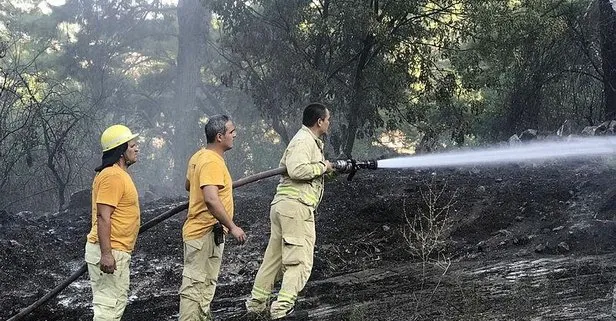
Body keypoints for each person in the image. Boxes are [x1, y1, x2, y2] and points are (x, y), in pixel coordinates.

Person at [246, 103, 334, 319]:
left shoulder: (309, 142)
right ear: (319, 121)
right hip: (295, 208)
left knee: (273, 261)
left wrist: (333, 169)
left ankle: (256, 307)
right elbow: (297, 170)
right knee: (300, 261)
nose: (329, 123)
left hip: (285, 206)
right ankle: (282, 310)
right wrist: (323, 167)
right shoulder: (304, 140)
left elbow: (309, 172)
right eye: (328, 119)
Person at [179, 114, 247, 321]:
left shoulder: (199, 156)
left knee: (205, 285)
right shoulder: (211, 161)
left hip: (208, 234)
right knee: (194, 287)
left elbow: (189, 185)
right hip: (203, 234)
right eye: (231, 131)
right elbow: (210, 199)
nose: (235, 135)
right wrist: (233, 226)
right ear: (219, 136)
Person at [84, 124, 140, 321]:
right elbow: (103, 216)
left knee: (112, 305)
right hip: (110, 249)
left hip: (116, 248)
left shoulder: (117, 175)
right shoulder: (112, 176)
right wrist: (106, 254)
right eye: (132, 145)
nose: (137, 148)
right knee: (109, 308)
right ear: (121, 151)